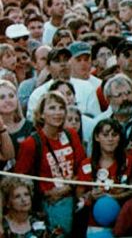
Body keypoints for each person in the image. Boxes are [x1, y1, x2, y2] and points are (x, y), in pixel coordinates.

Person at [14, 91, 86, 235]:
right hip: (49, 203)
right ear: (41, 114)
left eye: (61, 108)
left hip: (74, 196)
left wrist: (69, 187)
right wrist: (44, 192)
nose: (58, 112)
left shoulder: (71, 134)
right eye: (52, 108)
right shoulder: (31, 143)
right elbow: (20, 179)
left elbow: (83, 166)